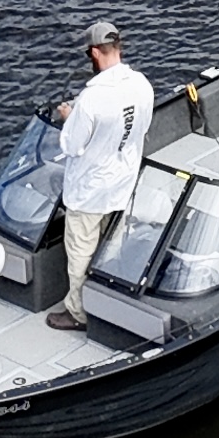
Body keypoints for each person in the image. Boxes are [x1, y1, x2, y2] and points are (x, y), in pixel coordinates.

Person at [48, 19, 151, 329]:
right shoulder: (141, 85)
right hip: (121, 186)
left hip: (89, 192)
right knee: (111, 247)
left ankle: (78, 313)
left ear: (94, 52)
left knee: (80, 252)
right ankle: (109, 301)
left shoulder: (91, 99)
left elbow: (72, 145)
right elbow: (139, 129)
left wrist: (69, 116)